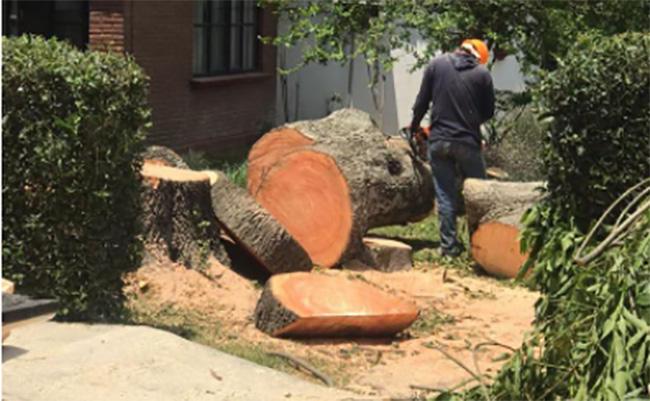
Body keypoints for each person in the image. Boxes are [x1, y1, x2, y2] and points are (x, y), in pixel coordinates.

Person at [410, 39, 495, 257]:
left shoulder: (436, 65)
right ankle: (481, 248)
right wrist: (470, 121)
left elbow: (421, 102)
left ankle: (448, 248)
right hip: (468, 142)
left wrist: (414, 128)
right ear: (478, 57)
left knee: (445, 195)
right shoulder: (482, 75)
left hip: (438, 141)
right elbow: (488, 112)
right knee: (480, 195)